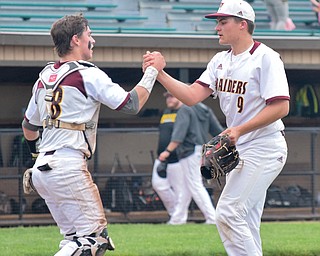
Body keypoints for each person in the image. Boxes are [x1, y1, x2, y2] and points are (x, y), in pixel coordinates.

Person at [143, 0, 290, 254]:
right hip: (241, 148)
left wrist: (240, 129)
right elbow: (190, 96)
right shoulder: (220, 60)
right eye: (217, 22)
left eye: (223, 21)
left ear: (242, 24)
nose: (217, 27)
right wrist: (160, 73)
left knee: (228, 213)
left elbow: (280, 107)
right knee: (245, 221)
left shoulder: (266, 58)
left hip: (265, 146)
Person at [21, 14, 165, 256]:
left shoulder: (43, 78)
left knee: (73, 240)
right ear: (76, 40)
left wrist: (38, 160)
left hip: (44, 169)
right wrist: (153, 72)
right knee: (93, 240)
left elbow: (29, 127)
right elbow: (130, 105)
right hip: (68, 165)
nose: (93, 40)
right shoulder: (86, 73)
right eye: (89, 35)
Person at [154, 92, 222, 225]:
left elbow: (179, 135)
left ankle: (212, 218)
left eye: (173, 95)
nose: (169, 99)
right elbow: (218, 130)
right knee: (187, 186)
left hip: (189, 150)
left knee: (195, 185)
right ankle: (177, 219)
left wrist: (167, 151)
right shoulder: (204, 109)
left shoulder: (184, 109)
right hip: (199, 148)